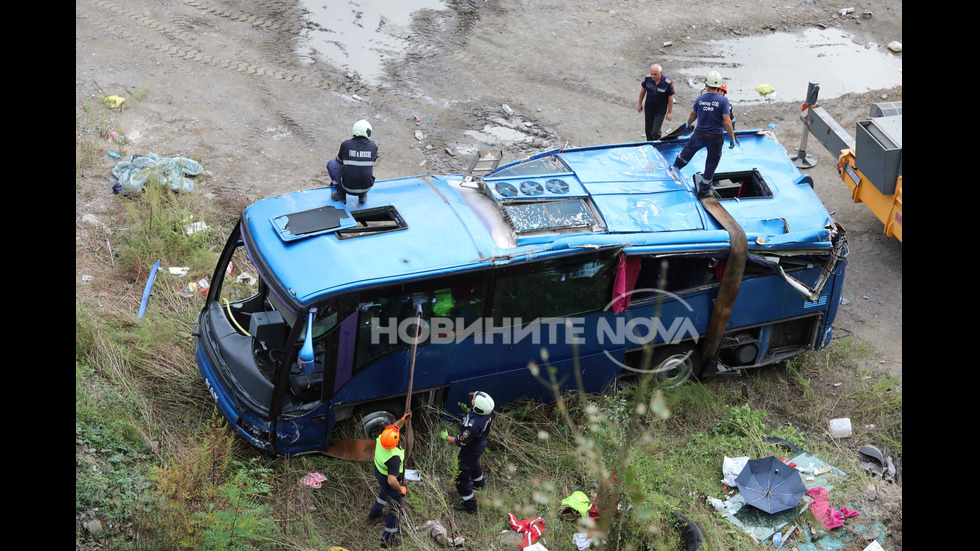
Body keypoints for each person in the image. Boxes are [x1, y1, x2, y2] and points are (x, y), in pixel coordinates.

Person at [671, 70, 738, 197]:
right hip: (715, 138)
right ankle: (704, 190)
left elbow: (693, 115)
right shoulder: (723, 101)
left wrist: (688, 124)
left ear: (706, 84)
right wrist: (732, 137)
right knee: (711, 164)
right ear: (719, 86)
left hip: (699, 135)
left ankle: (674, 169)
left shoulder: (700, 99)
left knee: (686, 154)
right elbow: (727, 122)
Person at [439, 391, 494, 513]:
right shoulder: (488, 411)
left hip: (470, 449)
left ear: (478, 407)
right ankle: (480, 485)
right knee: (474, 464)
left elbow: (460, 441)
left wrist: (446, 437)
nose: (472, 400)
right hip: (479, 446)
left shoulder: (472, 426)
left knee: (462, 477)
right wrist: (477, 395)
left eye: (473, 400)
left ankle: (470, 505)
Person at [369, 413, 410, 548]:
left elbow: (394, 427)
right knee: (396, 505)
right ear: (396, 442)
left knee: (385, 492)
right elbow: (392, 481)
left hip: (379, 472)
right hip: (388, 478)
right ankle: (388, 539)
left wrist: (403, 420)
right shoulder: (394, 457)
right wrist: (400, 489)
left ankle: (374, 513)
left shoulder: (383, 437)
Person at [328, 119, 379, 205]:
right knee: (368, 166)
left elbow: (339, 161)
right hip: (367, 187)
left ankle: (341, 194)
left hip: (346, 187)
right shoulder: (373, 146)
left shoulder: (346, 144)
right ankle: (362, 195)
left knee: (331, 164)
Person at [637, 64, 675, 141]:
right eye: (651, 74)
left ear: (660, 72)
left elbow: (670, 98)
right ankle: (649, 144)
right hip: (649, 108)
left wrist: (669, 112)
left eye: (655, 74)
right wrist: (640, 103)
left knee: (655, 131)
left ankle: (657, 144)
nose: (653, 76)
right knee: (648, 130)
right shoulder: (648, 79)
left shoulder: (667, 83)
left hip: (660, 110)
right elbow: (643, 91)